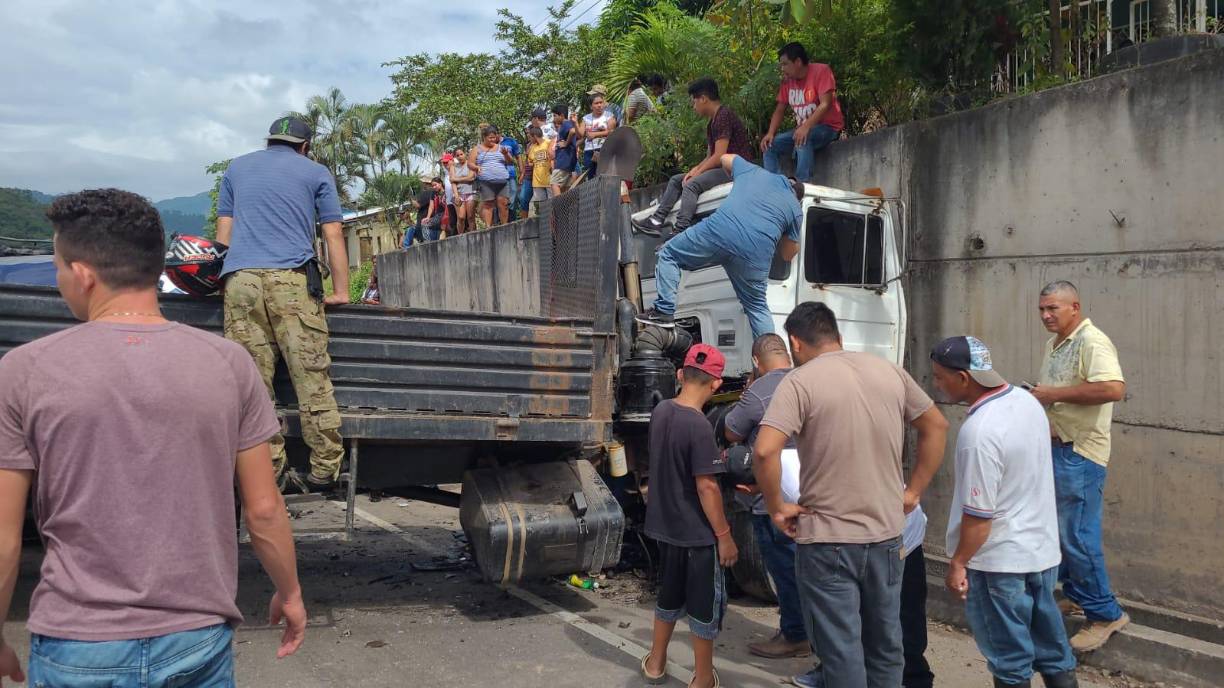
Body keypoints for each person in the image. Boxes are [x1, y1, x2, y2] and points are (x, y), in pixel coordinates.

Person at [0, 189, 306, 687]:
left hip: (78, 645)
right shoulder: (228, 363)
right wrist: (290, 594)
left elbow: (4, 536)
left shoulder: (24, 370)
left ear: (82, 273)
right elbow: (265, 509)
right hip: (195, 640)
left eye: (58, 267)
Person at [753, 302, 949, 688]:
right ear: (836, 334)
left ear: (795, 341)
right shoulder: (888, 371)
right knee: (886, 646)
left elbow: (763, 450)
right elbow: (937, 426)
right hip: (886, 538)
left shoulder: (800, 380)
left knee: (841, 651)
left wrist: (777, 507)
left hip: (828, 541)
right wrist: (913, 491)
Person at [932, 336, 1079, 688]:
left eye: (940, 376)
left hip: (998, 563)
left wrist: (958, 563)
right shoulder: (1026, 403)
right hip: (1041, 553)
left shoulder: (979, 432)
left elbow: (980, 516)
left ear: (964, 378)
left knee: (1010, 662)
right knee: (1053, 651)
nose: (937, 383)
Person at [218, 115, 349, 491]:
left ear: (270, 140)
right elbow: (333, 233)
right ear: (305, 146)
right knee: (311, 377)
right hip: (291, 281)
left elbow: (223, 232)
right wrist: (341, 291)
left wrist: (224, 281)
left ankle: (271, 470)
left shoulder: (236, 168)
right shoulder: (315, 172)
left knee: (252, 384)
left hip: (240, 280)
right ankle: (324, 469)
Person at [1032, 280, 1129, 651]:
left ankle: (1106, 614)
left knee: (1077, 536)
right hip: (1059, 448)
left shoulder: (1092, 341)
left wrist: (1051, 395)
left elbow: (1112, 388)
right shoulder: (1055, 344)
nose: (1046, 315)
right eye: (1042, 309)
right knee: (1062, 533)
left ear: (1075, 306)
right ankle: (1077, 596)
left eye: (1053, 308)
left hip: (1082, 453)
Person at [641, 344, 735, 688]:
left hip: (666, 528)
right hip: (698, 535)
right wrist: (724, 536)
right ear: (716, 384)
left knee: (668, 595)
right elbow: (707, 488)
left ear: (680, 374)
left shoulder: (662, 411)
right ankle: (704, 678)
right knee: (703, 608)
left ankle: (655, 662)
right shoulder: (699, 426)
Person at [636, 154, 802, 340]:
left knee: (668, 253)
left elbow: (725, 158)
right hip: (754, 254)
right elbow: (788, 255)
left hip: (721, 232)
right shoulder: (795, 209)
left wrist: (733, 175)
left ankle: (664, 311)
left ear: (786, 179)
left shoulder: (755, 172)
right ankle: (771, 360)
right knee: (757, 307)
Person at [724, 335, 808, 662]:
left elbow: (731, 431)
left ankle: (796, 635)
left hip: (772, 497)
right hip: (816, 494)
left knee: (786, 571)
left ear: (756, 362)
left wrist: (747, 392)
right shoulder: (810, 381)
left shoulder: (760, 391)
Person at [634, 78, 754, 237]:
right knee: (677, 180)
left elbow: (719, 156)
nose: (693, 106)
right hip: (722, 168)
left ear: (703, 99)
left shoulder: (724, 116)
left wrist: (697, 174)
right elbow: (710, 156)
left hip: (735, 169)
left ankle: (681, 228)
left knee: (692, 185)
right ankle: (656, 221)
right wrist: (695, 169)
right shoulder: (712, 122)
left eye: (694, 101)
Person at [761, 42, 845, 183]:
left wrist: (806, 127)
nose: (782, 69)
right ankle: (776, 186)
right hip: (802, 131)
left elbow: (826, 104)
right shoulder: (787, 81)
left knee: (801, 138)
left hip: (828, 128)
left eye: (785, 64)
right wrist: (770, 133)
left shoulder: (821, 71)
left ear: (798, 62)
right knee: (769, 147)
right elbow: (780, 109)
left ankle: (802, 184)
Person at [470, 125, 514, 229]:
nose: (492, 140)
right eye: (490, 137)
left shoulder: (502, 148)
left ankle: (504, 226)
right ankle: (488, 227)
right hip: (486, 182)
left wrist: (506, 154)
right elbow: (470, 164)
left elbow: (510, 162)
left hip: (502, 181)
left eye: (494, 137)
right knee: (488, 204)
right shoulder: (477, 149)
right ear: (484, 137)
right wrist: (476, 167)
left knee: (503, 204)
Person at [579, 93, 617, 179]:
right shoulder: (586, 118)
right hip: (589, 150)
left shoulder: (609, 116)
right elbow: (580, 134)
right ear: (591, 106)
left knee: (605, 175)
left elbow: (612, 132)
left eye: (601, 102)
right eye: (596, 103)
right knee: (590, 177)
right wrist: (574, 123)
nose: (599, 105)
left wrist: (595, 134)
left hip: (605, 148)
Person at [404, 177, 447, 245]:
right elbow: (431, 207)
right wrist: (428, 217)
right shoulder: (433, 193)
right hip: (437, 216)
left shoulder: (430, 192)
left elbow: (417, 205)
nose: (434, 187)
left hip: (444, 214)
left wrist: (410, 197)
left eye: (435, 185)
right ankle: (429, 243)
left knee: (419, 227)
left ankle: (429, 243)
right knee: (423, 224)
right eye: (433, 185)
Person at [525, 126, 553, 218]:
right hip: (537, 181)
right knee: (536, 205)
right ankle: (536, 223)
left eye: (530, 137)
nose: (529, 139)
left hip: (549, 180)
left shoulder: (548, 143)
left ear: (535, 136)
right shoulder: (532, 147)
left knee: (551, 203)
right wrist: (531, 163)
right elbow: (530, 160)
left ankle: (552, 224)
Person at [551, 104, 578, 196]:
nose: (553, 118)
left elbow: (573, 131)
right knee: (565, 189)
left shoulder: (566, 123)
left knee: (554, 184)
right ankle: (565, 209)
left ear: (562, 115)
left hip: (563, 161)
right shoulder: (566, 124)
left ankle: (559, 208)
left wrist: (566, 143)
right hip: (568, 162)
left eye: (555, 115)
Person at [449, 148, 477, 235]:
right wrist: (456, 195)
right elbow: (452, 182)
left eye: (461, 154)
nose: (460, 156)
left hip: (470, 192)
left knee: (470, 216)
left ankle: (473, 235)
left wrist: (457, 179)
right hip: (459, 194)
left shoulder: (470, 164)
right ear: (455, 157)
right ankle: (460, 236)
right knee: (461, 217)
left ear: (465, 154)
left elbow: (471, 178)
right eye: (457, 155)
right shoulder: (453, 167)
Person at [501, 129, 523, 223]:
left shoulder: (510, 141)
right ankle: (506, 219)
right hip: (499, 176)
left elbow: (518, 157)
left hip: (511, 173)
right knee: (502, 198)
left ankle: (511, 216)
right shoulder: (490, 144)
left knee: (514, 194)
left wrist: (521, 171)